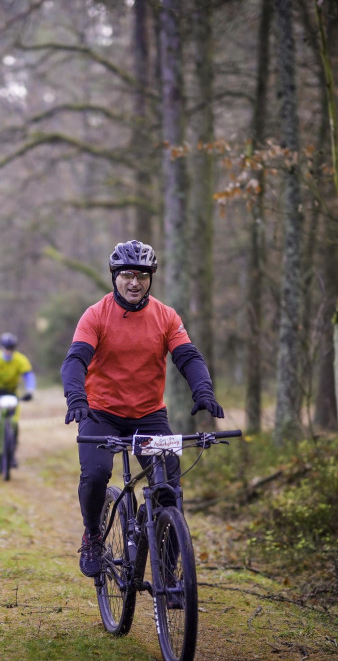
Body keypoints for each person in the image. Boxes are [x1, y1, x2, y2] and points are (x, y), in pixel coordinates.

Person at [60, 240, 224, 577]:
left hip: (149, 415)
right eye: (127, 275)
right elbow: (76, 359)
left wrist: (204, 391)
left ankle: (168, 570)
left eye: (143, 276)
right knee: (94, 473)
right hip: (101, 413)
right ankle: (93, 535)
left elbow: (188, 357)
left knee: (169, 489)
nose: (135, 282)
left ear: (151, 278)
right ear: (114, 277)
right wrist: (77, 398)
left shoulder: (165, 317)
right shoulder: (95, 315)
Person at [0, 332, 36, 464]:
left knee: (13, 423)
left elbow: (29, 376)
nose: (8, 351)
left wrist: (30, 391)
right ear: (1, 347)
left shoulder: (20, 360)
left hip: (11, 393)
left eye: (11, 349)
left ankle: (11, 453)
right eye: (6, 348)